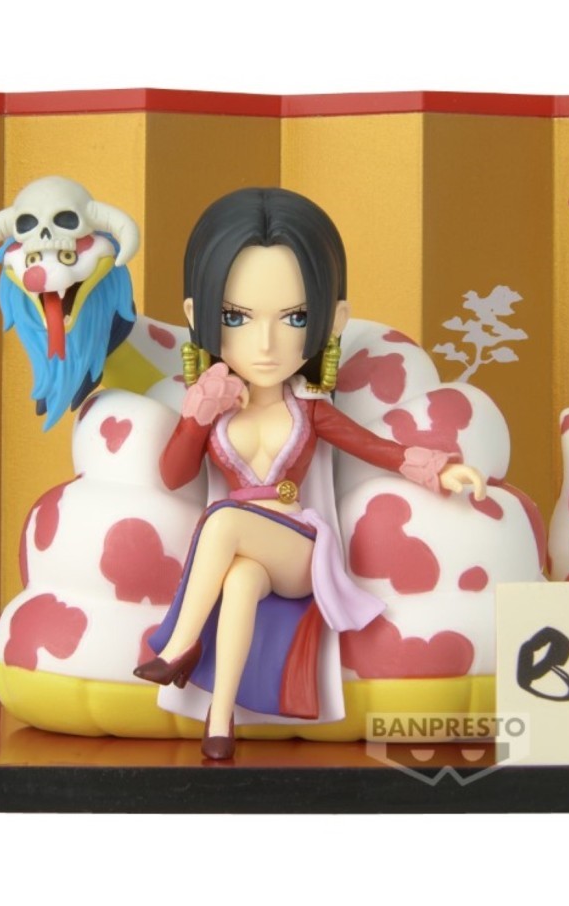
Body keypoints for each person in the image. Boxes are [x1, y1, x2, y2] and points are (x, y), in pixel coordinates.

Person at [134, 188, 485, 759]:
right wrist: (196, 417)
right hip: (249, 555)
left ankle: (178, 645)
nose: (265, 344)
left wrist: (436, 470)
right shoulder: (215, 405)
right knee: (239, 582)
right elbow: (174, 475)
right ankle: (219, 721)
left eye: (295, 317)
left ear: (333, 318)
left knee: (223, 519)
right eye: (235, 317)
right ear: (197, 317)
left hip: (299, 550)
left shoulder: (310, 409)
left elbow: (374, 447)